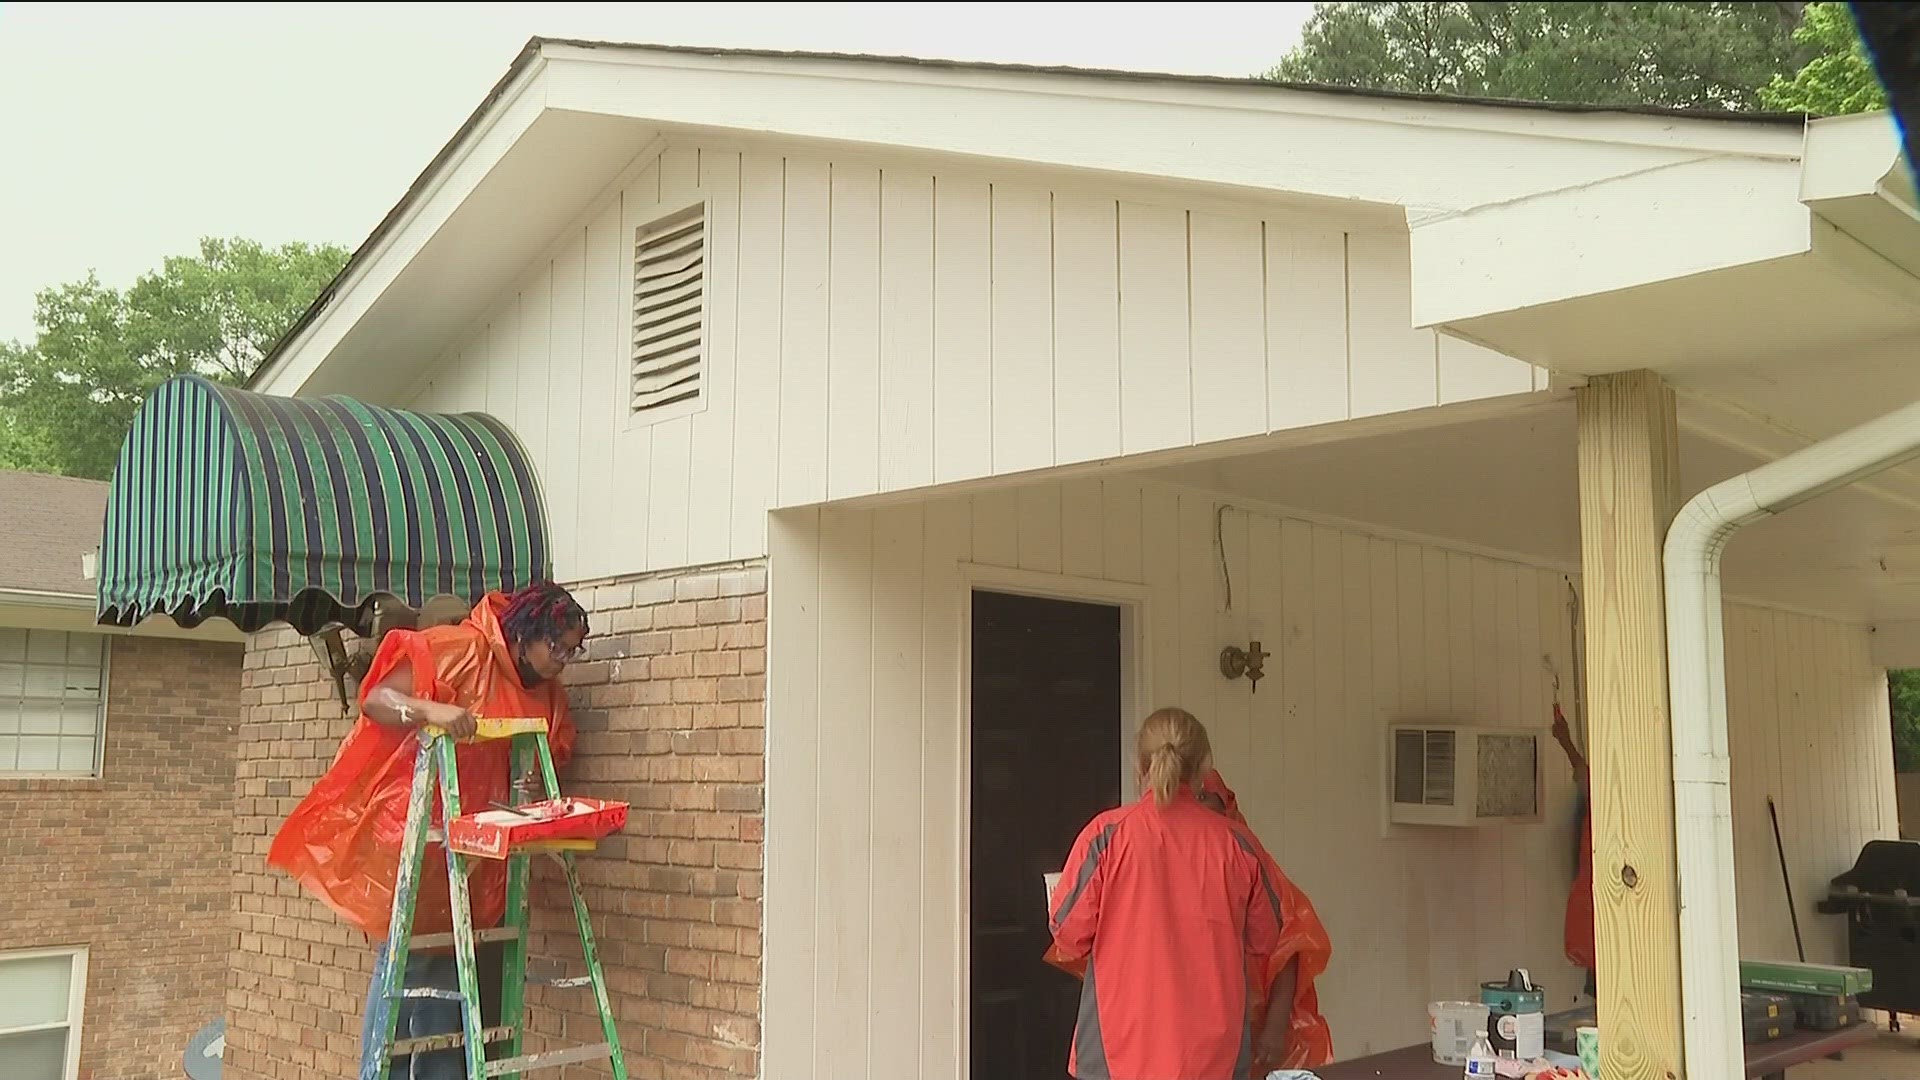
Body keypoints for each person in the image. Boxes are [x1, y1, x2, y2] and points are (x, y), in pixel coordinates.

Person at [266, 582, 587, 1080]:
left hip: (479, 860)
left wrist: (533, 782)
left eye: (572, 650)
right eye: (557, 646)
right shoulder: (458, 648)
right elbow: (378, 699)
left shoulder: (548, 698)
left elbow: (548, 761)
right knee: (408, 967)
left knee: (458, 981)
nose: (562, 659)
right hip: (419, 837)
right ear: (527, 632)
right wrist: (430, 710)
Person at [1046, 707, 1287, 1080]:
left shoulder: (1105, 836)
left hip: (1118, 1051)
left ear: (1139, 763)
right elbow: (1266, 939)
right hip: (1214, 1055)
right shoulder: (1240, 844)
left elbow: (1069, 935)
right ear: (1205, 767)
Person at [1196, 769, 1334, 1070]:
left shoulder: (1248, 861)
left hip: (1248, 1027)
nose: (1195, 806)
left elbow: (1288, 946)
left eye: (1204, 797)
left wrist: (1273, 1029)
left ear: (1227, 806)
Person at [1551, 702, 1598, 999]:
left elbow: (1583, 776)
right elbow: (1583, 775)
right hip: (1591, 899)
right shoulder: (1600, 799)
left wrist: (1566, 740)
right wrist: (1565, 741)